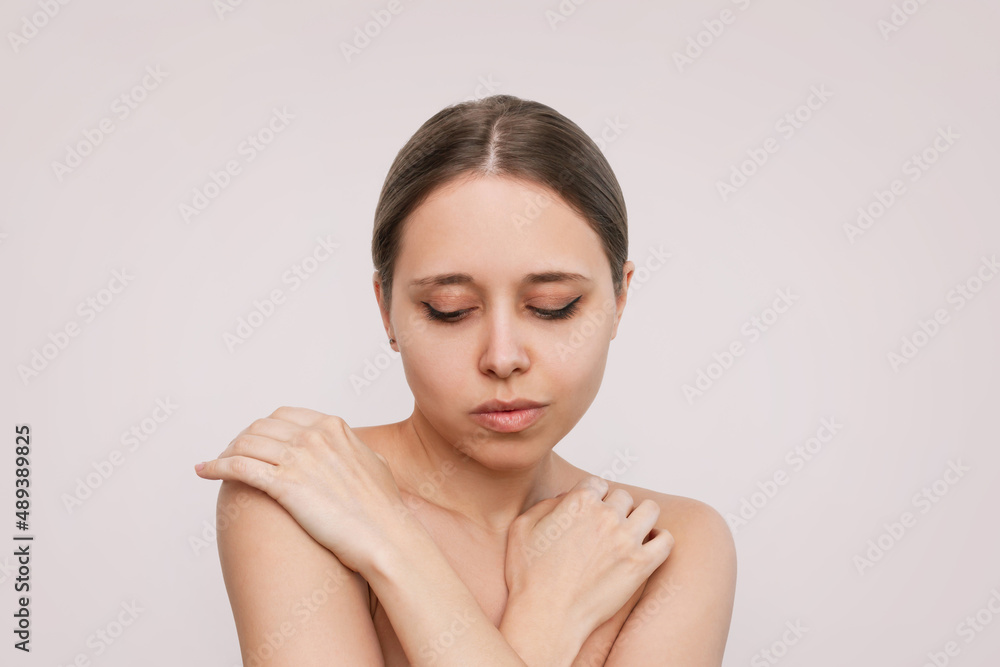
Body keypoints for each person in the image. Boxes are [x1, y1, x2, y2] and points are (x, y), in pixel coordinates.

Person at [194, 94, 736, 666]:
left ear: (620, 300)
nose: (502, 357)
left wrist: (391, 548)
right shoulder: (305, 495)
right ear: (387, 311)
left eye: (554, 306)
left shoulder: (665, 543)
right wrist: (548, 619)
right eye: (449, 309)